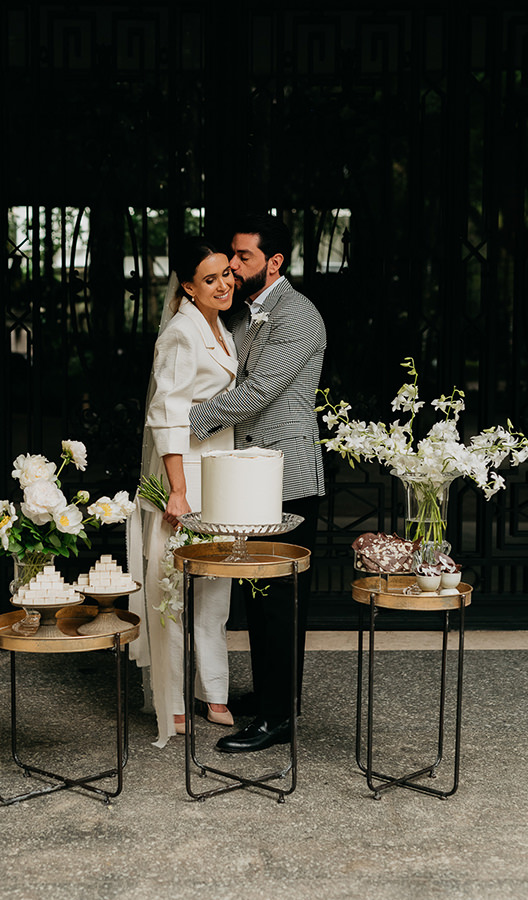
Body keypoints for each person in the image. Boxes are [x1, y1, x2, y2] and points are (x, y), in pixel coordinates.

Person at [189, 213, 326, 753]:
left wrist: (189, 423)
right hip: (247, 478)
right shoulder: (244, 312)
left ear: (275, 262)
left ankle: (278, 718)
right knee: (258, 596)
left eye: (243, 257)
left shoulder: (297, 314)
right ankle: (274, 697)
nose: (232, 265)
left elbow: (258, 391)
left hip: (287, 476)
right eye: (231, 254)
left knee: (280, 601)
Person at [138, 238, 238, 747]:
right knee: (172, 592)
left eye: (226, 274)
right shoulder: (181, 333)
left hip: (221, 477)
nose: (223, 284)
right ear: (187, 287)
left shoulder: (221, 328)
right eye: (210, 279)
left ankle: (213, 690)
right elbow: (167, 414)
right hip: (187, 479)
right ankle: (173, 700)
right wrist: (177, 490)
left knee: (215, 588)